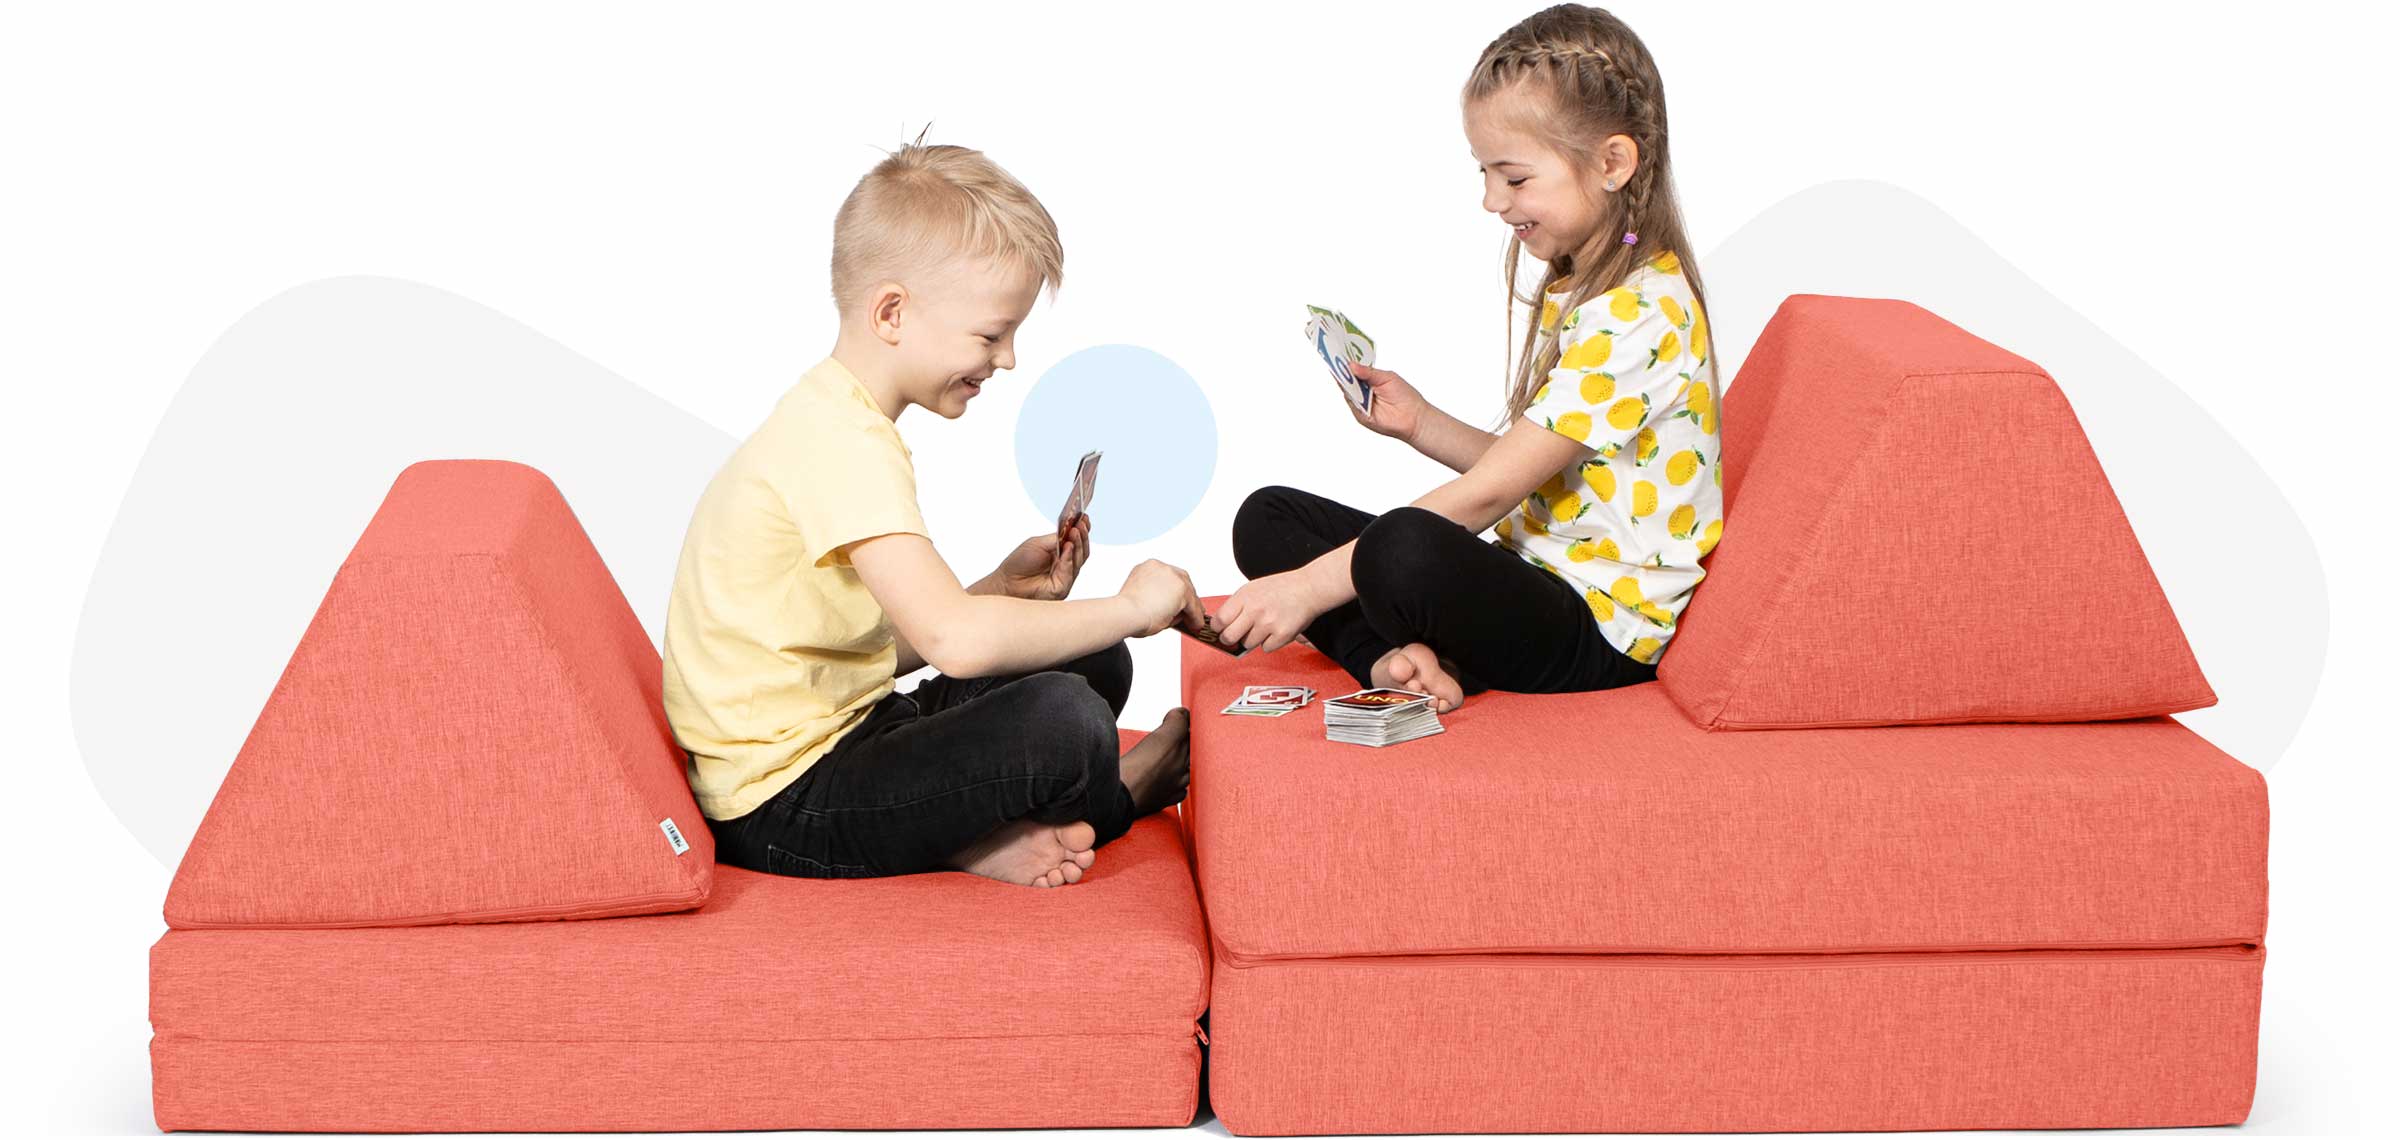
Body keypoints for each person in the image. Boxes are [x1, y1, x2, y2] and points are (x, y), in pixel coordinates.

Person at [663, 139, 1201, 889]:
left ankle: (969, 840)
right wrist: (1134, 606)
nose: (1007, 359)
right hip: (783, 805)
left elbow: (883, 644)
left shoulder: (834, 418)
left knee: (1089, 660)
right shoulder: (842, 444)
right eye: (990, 334)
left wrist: (999, 591)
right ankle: (1121, 797)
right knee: (1067, 721)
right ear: (892, 312)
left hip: (854, 732)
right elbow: (955, 643)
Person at [1221, 4, 1725, 713]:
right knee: (1268, 517)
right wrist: (1419, 422)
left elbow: (1490, 495)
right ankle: (1401, 663)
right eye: (1485, 172)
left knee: (1401, 548)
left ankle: (1388, 650)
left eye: (1514, 178)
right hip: (1534, 572)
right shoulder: (1593, 284)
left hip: (1599, 630)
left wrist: (1307, 588)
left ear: (1612, 163)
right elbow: (1542, 478)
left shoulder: (1639, 312)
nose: (1491, 199)